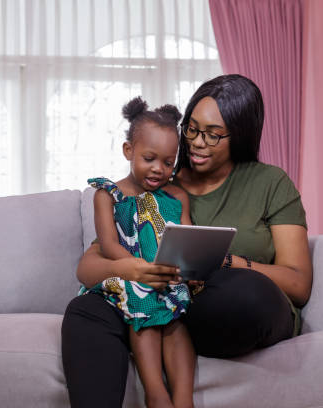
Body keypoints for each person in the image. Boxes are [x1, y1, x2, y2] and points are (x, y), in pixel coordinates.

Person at [61, 74, 313, 407]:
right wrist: (135, 272)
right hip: (168, 298)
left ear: (240, 134)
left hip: (236, 306)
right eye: (191, 129)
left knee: (246, 294)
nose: (196, 142)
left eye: (212, 134)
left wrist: (228, 262)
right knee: (86, 310)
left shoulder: (269, 183)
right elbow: (95, 262)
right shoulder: (159, 183)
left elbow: (298, 284)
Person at [83, 96, 195, 408]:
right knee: (144, 298)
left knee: (176, 316)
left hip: (168, 274)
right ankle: (156, 395)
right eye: (149, 158)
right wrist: (141, 270)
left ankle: (184, 399)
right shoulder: (108, 195)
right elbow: (108, 245)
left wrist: (188, 269)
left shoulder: (177, 196)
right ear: (128, 151)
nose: (159, 169)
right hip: (126, 274)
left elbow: (186, 238)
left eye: (168, 162)